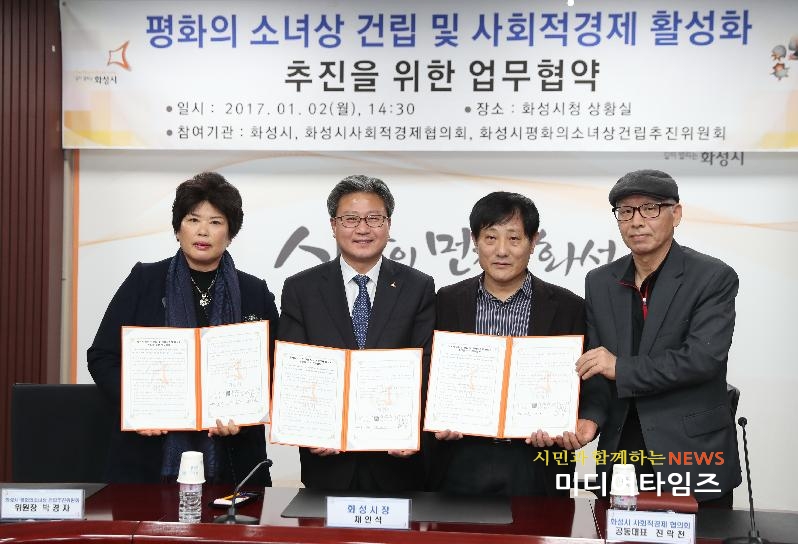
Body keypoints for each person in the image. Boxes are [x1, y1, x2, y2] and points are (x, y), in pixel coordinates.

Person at [88, 172, 278, 485]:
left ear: (230, 233)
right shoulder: (144, 281)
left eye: (215, 222)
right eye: (193, 220)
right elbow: (102, 356)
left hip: (233, 461)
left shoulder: (254, 291)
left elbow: (275, 367)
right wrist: (136, 406)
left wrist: (247, 413)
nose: (203, 231)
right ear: (178, 229)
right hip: (148, 458)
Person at [572, 169, 741, 507]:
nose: (637, 221)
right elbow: (595, 365)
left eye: (650, 208)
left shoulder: (712, 277)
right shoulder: (600, 281)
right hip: (622, 451)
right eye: (625, 211)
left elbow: (702, 359)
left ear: (675, 214)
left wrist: (621, 368)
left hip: (691, 453)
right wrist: (590, 416)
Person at [278, 174, 435, 492]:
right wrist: (311, 429)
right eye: (350, 219)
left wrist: (412, 430)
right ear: (333, 225)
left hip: (397, 464)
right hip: (327, 464)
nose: (363, 229)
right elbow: (293, 371)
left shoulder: (418, 286)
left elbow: (427, 366)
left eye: (374, 218)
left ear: (388, 225)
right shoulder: (301, 289)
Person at [430, 191, 585, 496]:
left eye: (514, 238)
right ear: (474, 240)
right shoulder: (444, 302)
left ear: (533, 241)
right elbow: (427, 373)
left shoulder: (570, 307)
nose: (502, 250)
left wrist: (574, 422)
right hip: (459, 461)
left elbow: (586, 383)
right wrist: (435, 418)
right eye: (490, 238)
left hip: (537, 464)